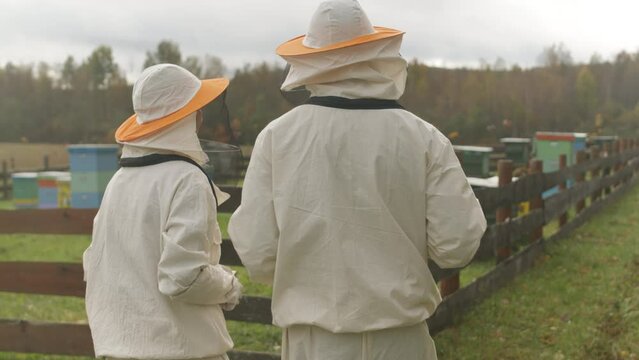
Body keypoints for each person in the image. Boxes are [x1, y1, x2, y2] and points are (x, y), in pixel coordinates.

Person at [228, 1, 486, 359]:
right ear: (373, 52)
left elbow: (257, 251)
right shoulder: (423, 137)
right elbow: (458, 241)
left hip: (312, 341)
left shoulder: (277, 137)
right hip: (400, 340)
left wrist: (310, 276)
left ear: (311, 59)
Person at [83, 63, 243, 360]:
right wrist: (228, 285)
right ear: (183, 117)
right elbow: (183, 277)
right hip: (180, 350)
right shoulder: (188, 179)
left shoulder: (120, 179)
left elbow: (95, 262)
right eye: (196, 107)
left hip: (122, 349)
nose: (201, 116)